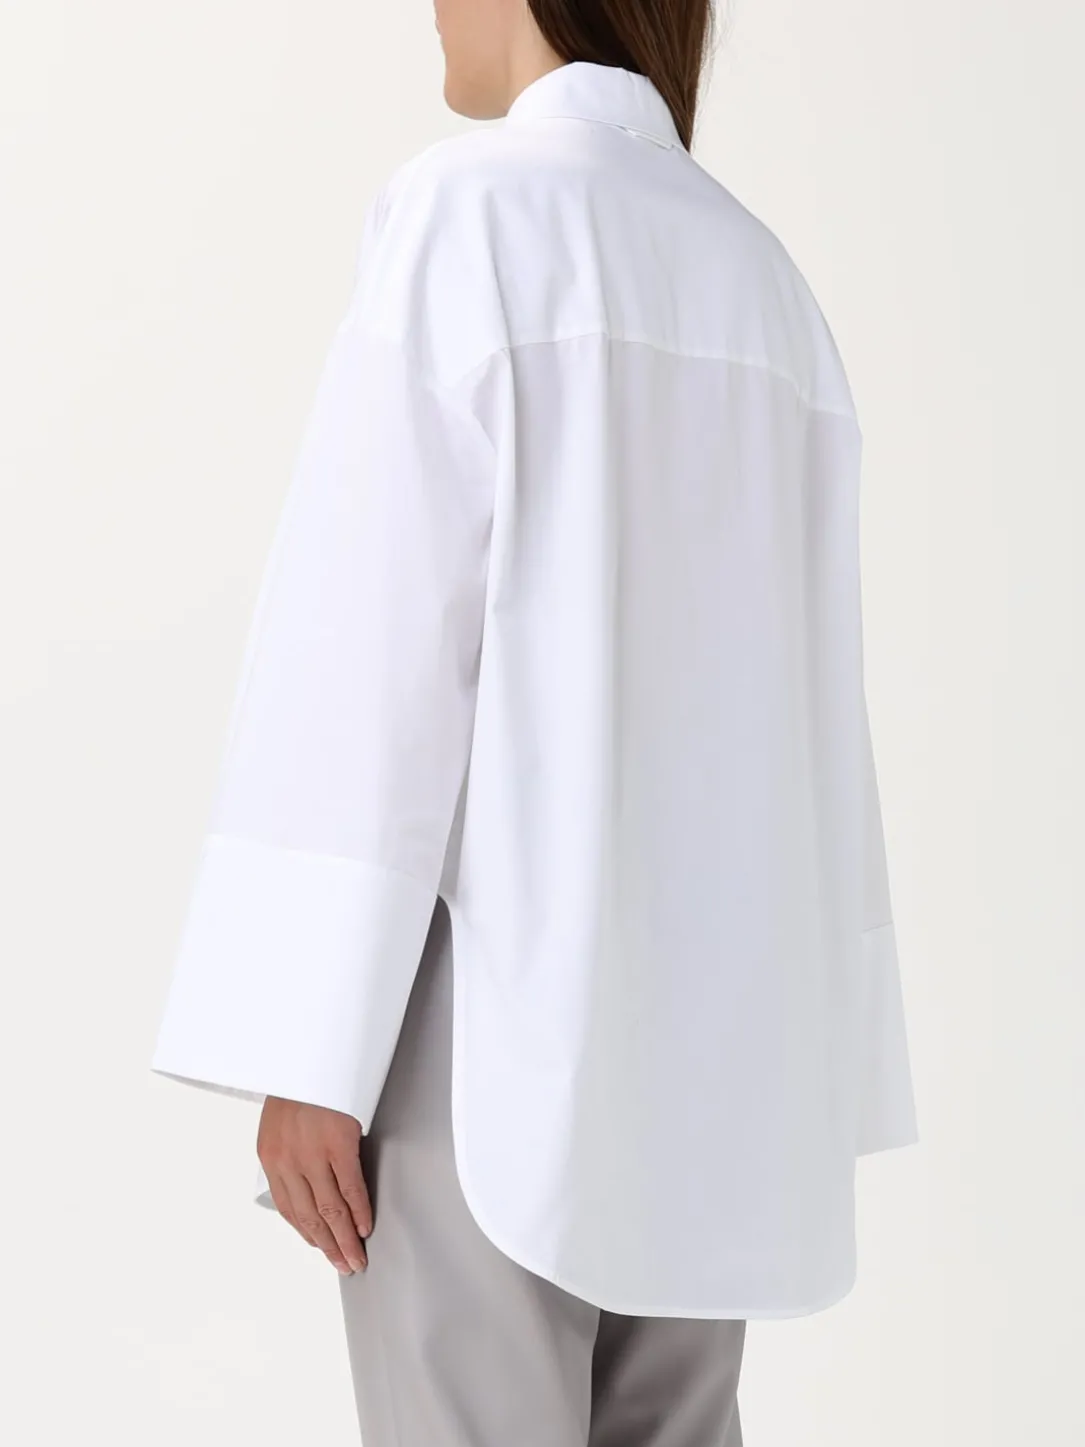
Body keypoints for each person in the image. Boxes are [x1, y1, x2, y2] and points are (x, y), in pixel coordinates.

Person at [150, 1, 920, 1441]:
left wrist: (312, 1048)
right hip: (713, 1044)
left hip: (490, 1014)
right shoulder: (761, 280)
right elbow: (816, 701)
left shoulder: (473, 216)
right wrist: (830, 1047)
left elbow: (376, 634)